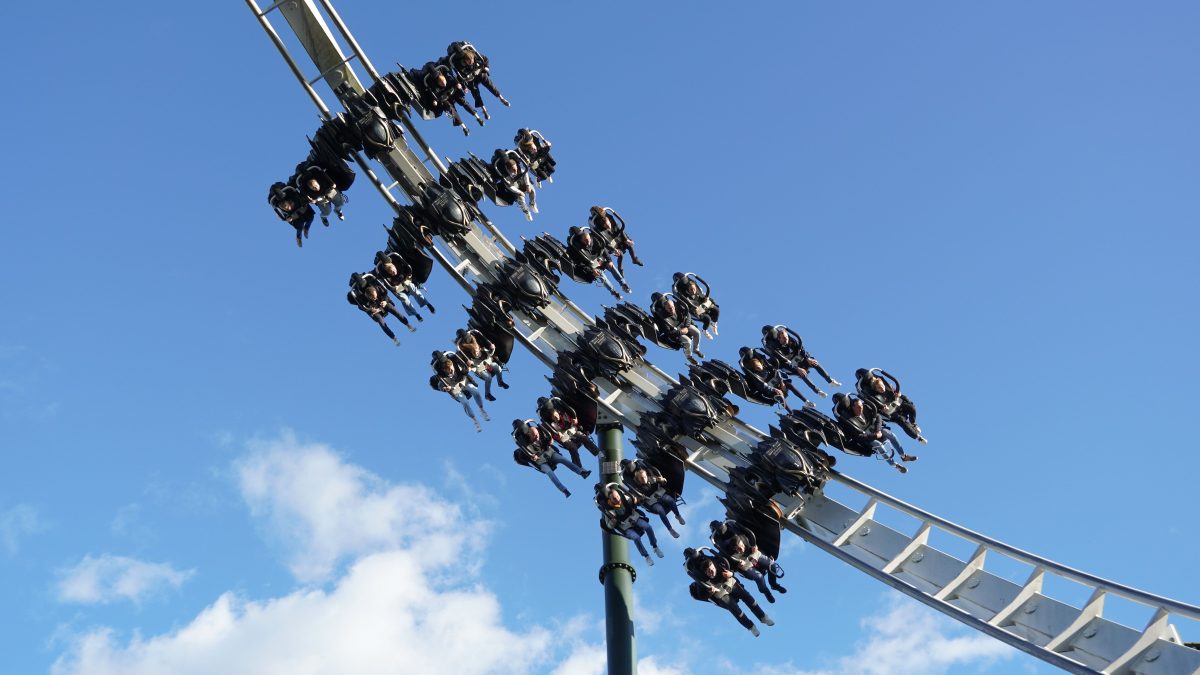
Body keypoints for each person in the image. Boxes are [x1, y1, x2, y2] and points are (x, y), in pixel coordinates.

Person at [683, 547, 774, 636]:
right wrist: (710, 591)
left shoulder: (714, 561)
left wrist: (731, 573)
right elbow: (701, 594)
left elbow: (728, 564)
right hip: (719, 592)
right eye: (709, 572)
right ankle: (751, 627)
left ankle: (763, 617)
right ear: (705, 573)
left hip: (730, 582)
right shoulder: (700, 577)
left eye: (712, 569)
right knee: (735, 609)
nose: (712, 572)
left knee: (748, 598)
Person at [831, 393, 916, 473]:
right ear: (853, 407)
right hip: (867, 438)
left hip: (875, 429)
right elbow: (859, 436)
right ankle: (895, 465)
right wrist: (874, 435)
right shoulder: (848, 420)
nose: (861, 409)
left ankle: (904, 456)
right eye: (858, 407)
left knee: (890, 434)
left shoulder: (866, 408)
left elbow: (878, 417)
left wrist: (878, 430)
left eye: (861, 406)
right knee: (878, 444)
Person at [709, 520, 786, 603]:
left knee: (772, 565)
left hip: (752, 552)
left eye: (741, 546)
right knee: (759, 577)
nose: (741, 549)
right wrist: (736, 566)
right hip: (742, 563)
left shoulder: (736, 530)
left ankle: (773, 584)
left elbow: (750, 534)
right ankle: (766, 592)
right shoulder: (723, 548)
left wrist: (754, 545)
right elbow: (726, 562)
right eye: (738, 548)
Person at [513, 419, 591, 497]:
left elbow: (548, 436)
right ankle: (564, 490)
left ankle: (582, 472)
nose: (536, 438)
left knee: (562, 459)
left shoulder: (538, 430)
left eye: (536, 435)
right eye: (533, 436)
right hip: (540, 460)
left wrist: (550, 440)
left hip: (548, 451)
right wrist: (532, 457)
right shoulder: (522, 444)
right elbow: (527, 456)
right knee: (549, 472)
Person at [761, 325, 841, 398]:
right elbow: (783, 362)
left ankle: (830, 381)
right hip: (787, 365)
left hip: (796, 357)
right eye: (783, 339)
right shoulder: (773, 347)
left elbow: (800, 348)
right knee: (802, 373)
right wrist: (796, 368)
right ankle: (817, 391)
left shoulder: (788, 338)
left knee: (814, 362)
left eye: (786, 338)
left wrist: (807, 358)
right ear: (778, 338)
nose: (786, 340)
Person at [597, 483, 663, 565]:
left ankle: (655, 546)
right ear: (610, 499)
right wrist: (613, 522)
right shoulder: (608, 509)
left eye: (617, 497)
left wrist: (638, 500)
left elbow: (635, 502)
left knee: (648, 527)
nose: (617, 499)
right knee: (636, 538)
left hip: (633, 517)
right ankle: (646, 556)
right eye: (614, 498)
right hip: (624, 525)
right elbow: (609, 525)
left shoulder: (624, 498)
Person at [856, 368, 926, 444]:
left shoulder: (885, 384)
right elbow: (873, 408)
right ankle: (918, 437)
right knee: (902, 420)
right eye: (879, 388)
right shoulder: (871, 395)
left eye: (882, 386)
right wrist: (882, 408)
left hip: (896, 402)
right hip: (889, 412)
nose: (882, 388)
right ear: (875, 389)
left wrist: (898, 394)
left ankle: (913, 424)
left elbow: (896, 392)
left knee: (911, 408)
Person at [622, 459, 685, 538]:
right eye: (642, 478)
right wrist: (638, 499)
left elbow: (658, 479)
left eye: (645, 477)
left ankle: (678, 515)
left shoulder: (650, 478)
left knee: (670, 500)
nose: (644, 480)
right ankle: (670, 530)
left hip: (658, 492)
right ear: (638, 479)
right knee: (660, 510)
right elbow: (634, 498)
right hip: (649, 500)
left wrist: (661, 480)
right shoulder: (635, 488)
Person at [346, 273, 414, 346]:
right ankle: (394, 338)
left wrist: (385, 301)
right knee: (381, 322)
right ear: (368, 296)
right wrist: (371, 309)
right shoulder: (362, 298)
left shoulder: (378, 288)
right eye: (373, 298)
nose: (374, 298)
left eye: (375, 296)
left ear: (375, 292)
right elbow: (361, 307)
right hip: (373, 309)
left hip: (383, 301)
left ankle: (408, 324)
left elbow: (385, 293)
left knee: (394, 310)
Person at [446, 42, 510, 119]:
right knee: (475, 92)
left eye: (472, 61)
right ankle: (484, 110)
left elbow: (485, 59)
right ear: (465, 61)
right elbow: (459, 77)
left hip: (479, 72)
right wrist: (464, 86)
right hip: (470, 78)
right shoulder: (460, 65)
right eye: (468, 62)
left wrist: (486, 67)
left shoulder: (475, 55)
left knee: (488, 83)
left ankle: (501, 98)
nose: (471, 63)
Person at [414, 61, 479, 135]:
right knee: (450, 108)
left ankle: (476, 115)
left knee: (461, 100)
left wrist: (461, 86)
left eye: (444, 82)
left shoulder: (447, 75)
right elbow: (431, 93)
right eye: (441, 83)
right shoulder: (432, 84)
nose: (443, 84)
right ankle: (463, 127)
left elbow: (455, 79)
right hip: (443, 98)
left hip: (453, 92)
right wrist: (434, 101)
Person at [430, 351, 489, 431]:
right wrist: (446, 388)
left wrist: (469, 365)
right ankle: (475, 420)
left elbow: (465, 363)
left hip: (463, 380)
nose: (451, 371)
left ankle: (482, 410)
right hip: (453, 387)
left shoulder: (455, 361)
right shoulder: (441, 375)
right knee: (464, 402)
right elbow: (441, 385)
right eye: (449, 371)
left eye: (451, 369)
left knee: (475, 391)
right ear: (444, 370)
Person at [738, 347, 811, 410]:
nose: (759, 368)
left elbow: (775, 370)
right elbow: (761, 385)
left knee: (788, 385)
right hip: (768, 389)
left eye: (759, 366)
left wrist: (781, 382)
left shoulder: (764, 363)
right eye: (757, 368)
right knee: (778, 396)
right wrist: (773, 389)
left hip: (777, 381)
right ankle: (790, 412)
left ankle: (806, 401)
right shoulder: (752, 373)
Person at [373, 250, 436, 321]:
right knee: (405, 300)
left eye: (394, 271)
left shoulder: (397, 261)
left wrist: (409, 275)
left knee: (413, 290)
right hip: (397, 287)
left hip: (405, 281)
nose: (393, 273)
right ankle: (416, 314)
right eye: (391, 273)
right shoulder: (384, 273)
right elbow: (387, 284)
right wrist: (394, 287)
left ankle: (427, 304)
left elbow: (408, 267)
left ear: (394, 266)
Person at [567, 226, 627, 299]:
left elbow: (603, 248)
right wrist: (592, 270)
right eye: (585, 240)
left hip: (600, 259)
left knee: (611, 266)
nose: (588, 242)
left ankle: (623, 284)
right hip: (591, 266)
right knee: (600, 275)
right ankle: (614, 292)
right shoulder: (574, 250)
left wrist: (609, 260)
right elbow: (579, 264)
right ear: (580, 240)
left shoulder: (593, 239)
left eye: (588, 239)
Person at [536, 396, 598, 466]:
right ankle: (578, 466)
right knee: (572, 448)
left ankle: (597, 453)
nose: (556, 418)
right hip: (562, 435)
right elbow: (550, 428)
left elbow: (571, 411)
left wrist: (575, 418)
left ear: (558, 412)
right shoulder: (550, 422)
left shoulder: (561, 411)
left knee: (584, 438)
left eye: (556, 416)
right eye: (554, 418)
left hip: (571, 430)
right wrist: (557, 433)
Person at [455, 328, 508, 401]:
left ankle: (500, 382)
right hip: (477, 366)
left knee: (497, 368)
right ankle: (487, 394)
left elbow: (484, 341)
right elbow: (461, 361)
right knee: (488, 378)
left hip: (485, 358)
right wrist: (468, 363)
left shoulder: (475, 337)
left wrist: (491, 346)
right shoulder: (461, 348)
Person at [650, 293, 704, 363]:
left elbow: (688, 314)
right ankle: (689, 357)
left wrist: (686, 326)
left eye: (672, 307)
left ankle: (696, 350)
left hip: (684, 324)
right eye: (669, 309)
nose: (672, 310)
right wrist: (681, 332)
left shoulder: (677, 306)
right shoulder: (662, 317)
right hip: (675, 330)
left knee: (697, 332)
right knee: (688, 341)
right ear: (665, 308)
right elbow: (668, 333)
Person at [589, 206, 643, 276]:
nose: (607, 226)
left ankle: (634, 259)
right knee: (621, 255)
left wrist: (626, 239)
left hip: (617, 237)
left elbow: (620, 229)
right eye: (605, 225)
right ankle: (620, 268)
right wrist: (614, 249)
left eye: (608, 224)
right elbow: (603, 242)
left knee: (629, 245)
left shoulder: (610, 218)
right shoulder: (597, 226)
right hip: (609, 242)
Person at [490, 149, 536, 220]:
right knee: (520, 198)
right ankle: (526, 212)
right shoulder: (506, 175)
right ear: (508, 169)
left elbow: (525, 174)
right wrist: (520, 192)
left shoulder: (518, 168)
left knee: (532, 190)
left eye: (516, 169)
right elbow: (510, 187)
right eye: (513, 170)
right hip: (512, 185)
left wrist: (527, 185)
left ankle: (532, 204)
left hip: (520, 181)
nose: (516, 171)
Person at [672, 272, 719, 338]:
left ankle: (713, 324)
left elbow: (701, 293)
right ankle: (704, 331)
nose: (693, 291)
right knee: (707, 318)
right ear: (688, 289)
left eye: (694, 289)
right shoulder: (681, 293)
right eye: (691, 290)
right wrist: (694, 308)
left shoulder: (693, 284)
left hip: (701, 302)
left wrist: (706, 297)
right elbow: (684, 304)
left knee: (716, 310)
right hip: (693, 309)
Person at [268, 182, 315, 248]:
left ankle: (306, 228)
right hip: (293, 215)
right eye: (285, 207)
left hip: (300, 207)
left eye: (288, 206)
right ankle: (298, 237)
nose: (288, 208)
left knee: (310, 218)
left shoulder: (290, 194)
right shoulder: (278, 204)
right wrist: (285, 218)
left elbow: (297, 192)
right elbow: (281, 214)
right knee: (299, 227)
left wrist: (307, 199)